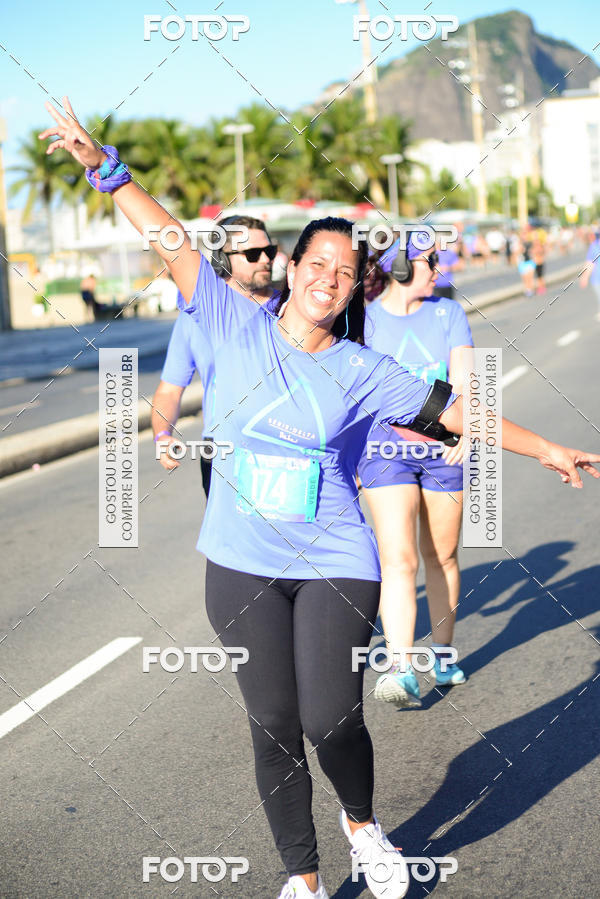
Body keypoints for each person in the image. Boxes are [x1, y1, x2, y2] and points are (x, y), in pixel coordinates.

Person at [41, 97, 600, 899]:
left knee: (330, 717)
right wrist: (106, 168)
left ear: (350, 287)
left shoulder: (365, 370)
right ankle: (302, 876)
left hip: (336, 555)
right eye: (317, 264)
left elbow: (456, 411)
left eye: (344, 272)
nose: (328, 280)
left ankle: (363, 824)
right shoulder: (227, 321)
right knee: (273, 724)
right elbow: (167, 238)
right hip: (240, 562)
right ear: (293, 267)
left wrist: (547, 447)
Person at [358, 237, 473, 707]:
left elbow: (464, 382)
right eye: (430, 262)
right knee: (398, 559)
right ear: (402, 267)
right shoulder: (364, 318)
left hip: (443, 449)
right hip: (384, 450)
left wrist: (467, 433)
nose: (437, 270)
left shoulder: (448, 313)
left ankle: (442, 655)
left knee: (440, 555)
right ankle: (402, 668)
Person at [152, 215, 278, 497]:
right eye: (253, 254)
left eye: (269, 251)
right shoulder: (192, 320)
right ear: (223, 259)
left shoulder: (290, 310)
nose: (265, 260)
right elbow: (169, 391)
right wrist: (162, 434)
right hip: (221, 452)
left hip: (283, 448)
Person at [579, 228, 600, 321]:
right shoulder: (594, 246)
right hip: (597, 278)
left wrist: (585, 277)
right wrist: (584, 277)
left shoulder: (594, 246)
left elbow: (589, 263)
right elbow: (590, 263)